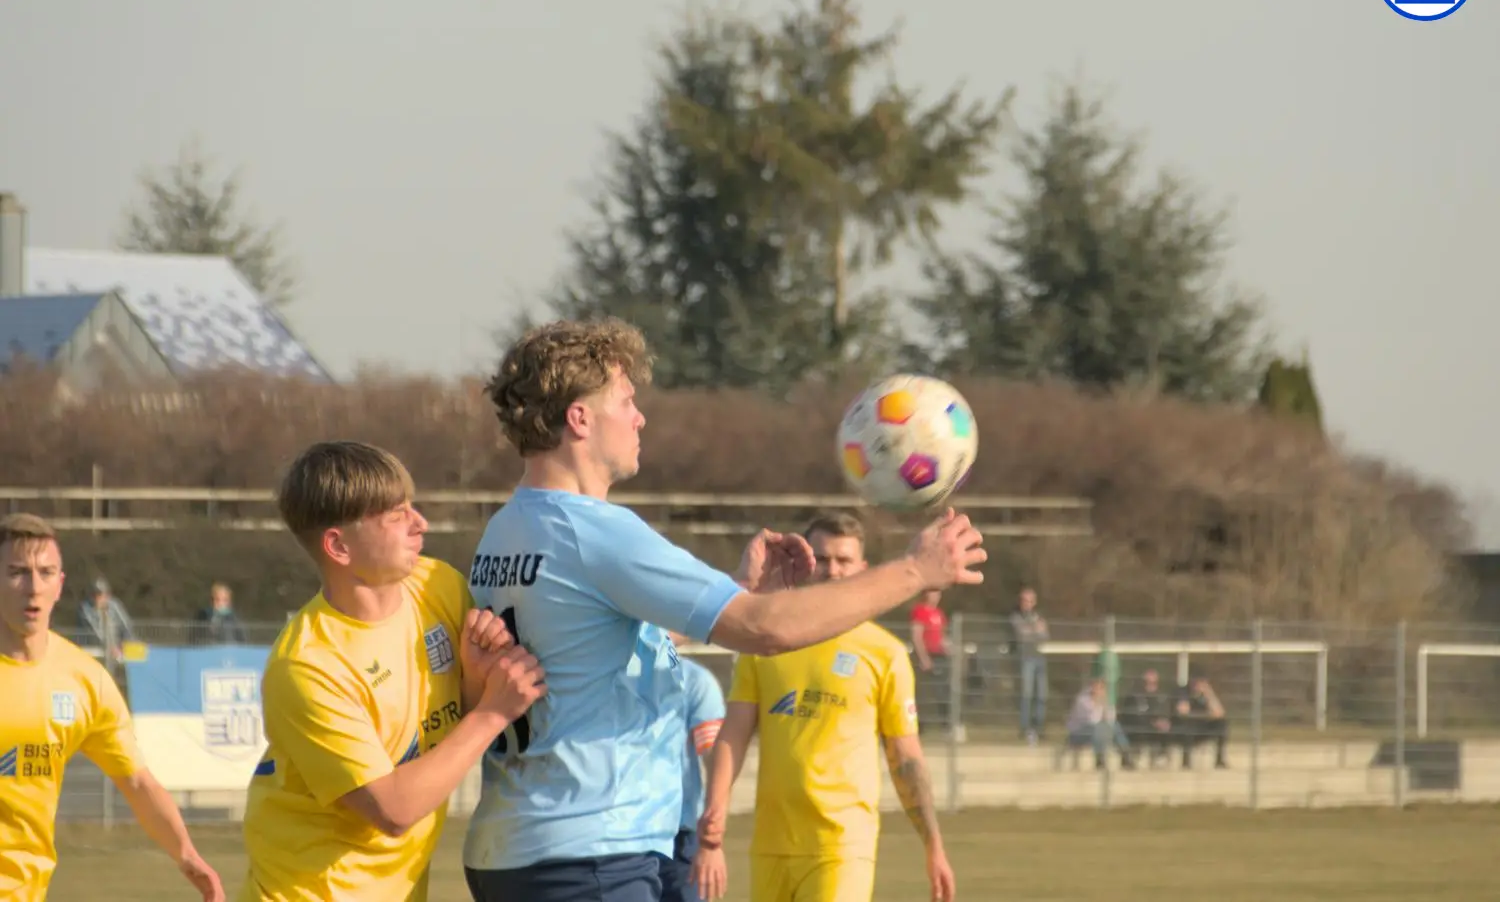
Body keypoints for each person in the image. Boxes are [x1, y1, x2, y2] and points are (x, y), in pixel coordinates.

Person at [462, 318, 987, 902]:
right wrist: (916, 570)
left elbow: (593, 644)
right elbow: (764, 630)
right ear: (579, 419)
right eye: (627, 401)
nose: (640, 417)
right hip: (590, 852)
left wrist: (737, 586)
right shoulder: (596, 532)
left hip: (520, 848)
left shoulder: (507, 529)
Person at [239, 441, 547, 902]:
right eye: (395, 514)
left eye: (412, 506)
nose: (420, 523)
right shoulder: (307, 665)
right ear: (339, 546)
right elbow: (394, 809)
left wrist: (475, 682)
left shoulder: (438, 585)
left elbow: (445, 734)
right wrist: (493, 712)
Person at [690, 512, 956, 902]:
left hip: (842, 847)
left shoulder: (885, 653)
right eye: (824, 559)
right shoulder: (766, 642)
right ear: (806, 564)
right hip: (772, 846)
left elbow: (906, 757)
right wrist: (713, 820)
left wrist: (933, 845)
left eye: (844, 561)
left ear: (863, 568)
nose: (834, 570)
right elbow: (735, 734)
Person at [0, 513, 224, 902]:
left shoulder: (85, 680)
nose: (33, 587)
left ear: (60, 584)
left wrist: (186, 852)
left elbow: (137, 782)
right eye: (17, 572)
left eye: (46, 572)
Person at [658, 633, 725, 902]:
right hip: (618, 838)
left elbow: (714, 756)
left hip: (679, 837)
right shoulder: (605, 679)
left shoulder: (694, 681)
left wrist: (711, 839)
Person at [1009, 587, 1048, 744]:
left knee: (1042, 695)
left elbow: (1045, 636)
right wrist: (1035, 630)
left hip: (1039, 658)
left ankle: (1039, 727)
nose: (1027, 604)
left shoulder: (1039, 617)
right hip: (1025, 658)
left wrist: (1034, 631)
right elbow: (1022, 635)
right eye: (1024, 600)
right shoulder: (1015, 617)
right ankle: (1025, 728)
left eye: (1030, 601)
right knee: (1026, 694)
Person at [909, 590, 950, 732]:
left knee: (943, 690)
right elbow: (917, 636)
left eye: (938, 593)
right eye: (933, 593)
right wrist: (923, 657)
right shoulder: (920, 611)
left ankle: (946, 724)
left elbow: (942, 636)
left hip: (939, 655)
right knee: (922, 692)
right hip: (927, 654)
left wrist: (950, 648)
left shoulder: (939, 613)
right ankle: (920, 725)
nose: (936, 596)